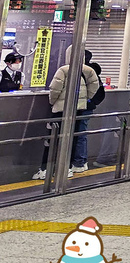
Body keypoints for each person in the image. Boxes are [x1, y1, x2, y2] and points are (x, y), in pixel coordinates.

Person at [47, 47, 100, 177]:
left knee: (58, 138)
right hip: (80, 109)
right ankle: (73, 165)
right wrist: (85, 99)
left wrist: (53, 102)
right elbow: (95, 86)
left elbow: (54, 89)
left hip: (62, 110)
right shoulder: (89, 70)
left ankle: (57, 167)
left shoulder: (64, 70)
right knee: (76, 137)